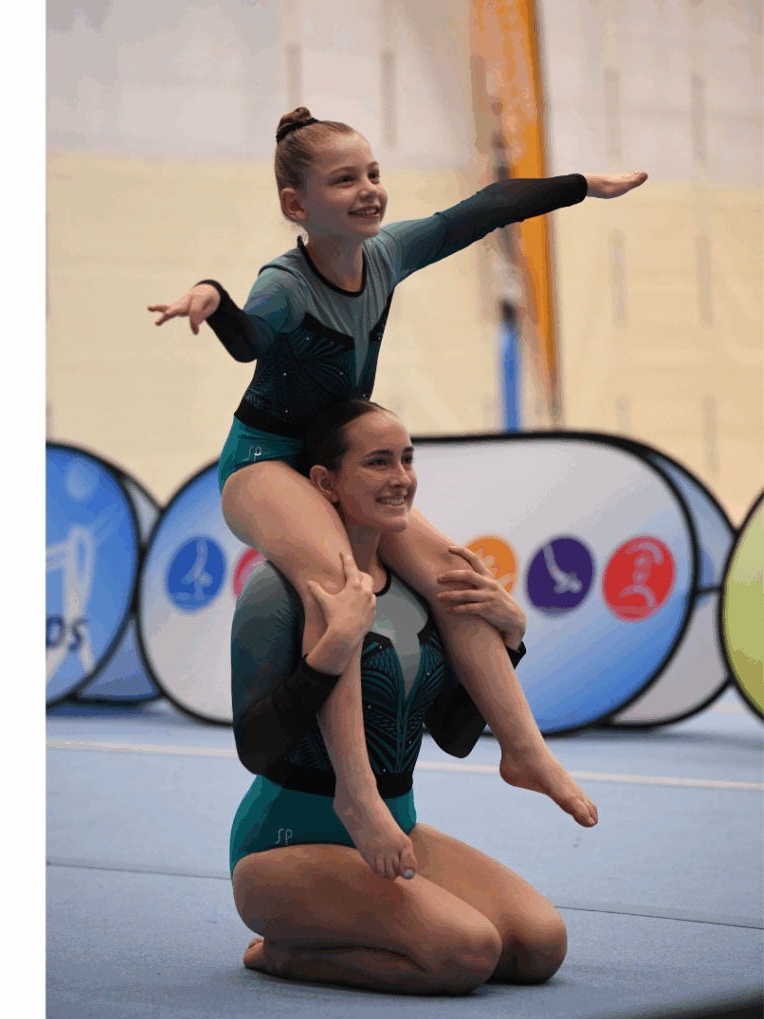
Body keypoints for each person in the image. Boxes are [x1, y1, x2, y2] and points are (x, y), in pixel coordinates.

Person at [149, 107, 640, 882]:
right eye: (344, 179)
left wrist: (584, 185)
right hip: (266, 463)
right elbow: (248, 338)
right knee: (339, 584)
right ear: (296, 204)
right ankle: (355, 791)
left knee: (456, 573)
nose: (369, 190)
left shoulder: (387, 254)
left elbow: (481, 211)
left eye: (373, 173)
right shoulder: (283, 285)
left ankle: (522, 749)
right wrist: (211, 296)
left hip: (335, 459)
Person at [228, 399, 594, 995]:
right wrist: (331, 652)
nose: (401, 478)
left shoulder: (417, 596)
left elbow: (451, 735)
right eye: (377, 463)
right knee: (464, 953)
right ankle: (282, 953)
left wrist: (512, 638)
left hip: (397, 831)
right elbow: (257, 747)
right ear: (326, 483)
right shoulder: (277, 591)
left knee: (538, 946)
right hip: (285, 848)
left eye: (406, 459)